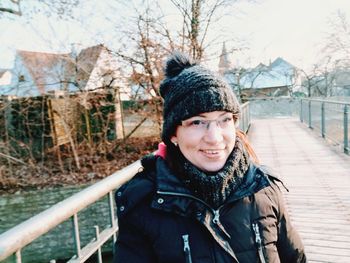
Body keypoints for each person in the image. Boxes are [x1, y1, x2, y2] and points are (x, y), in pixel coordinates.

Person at [113, 52, 306, 263]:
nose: (214, 138)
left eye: (224, 120)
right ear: (173, 134)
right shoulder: (142, 204)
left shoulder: (264, 189)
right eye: (197, 122)